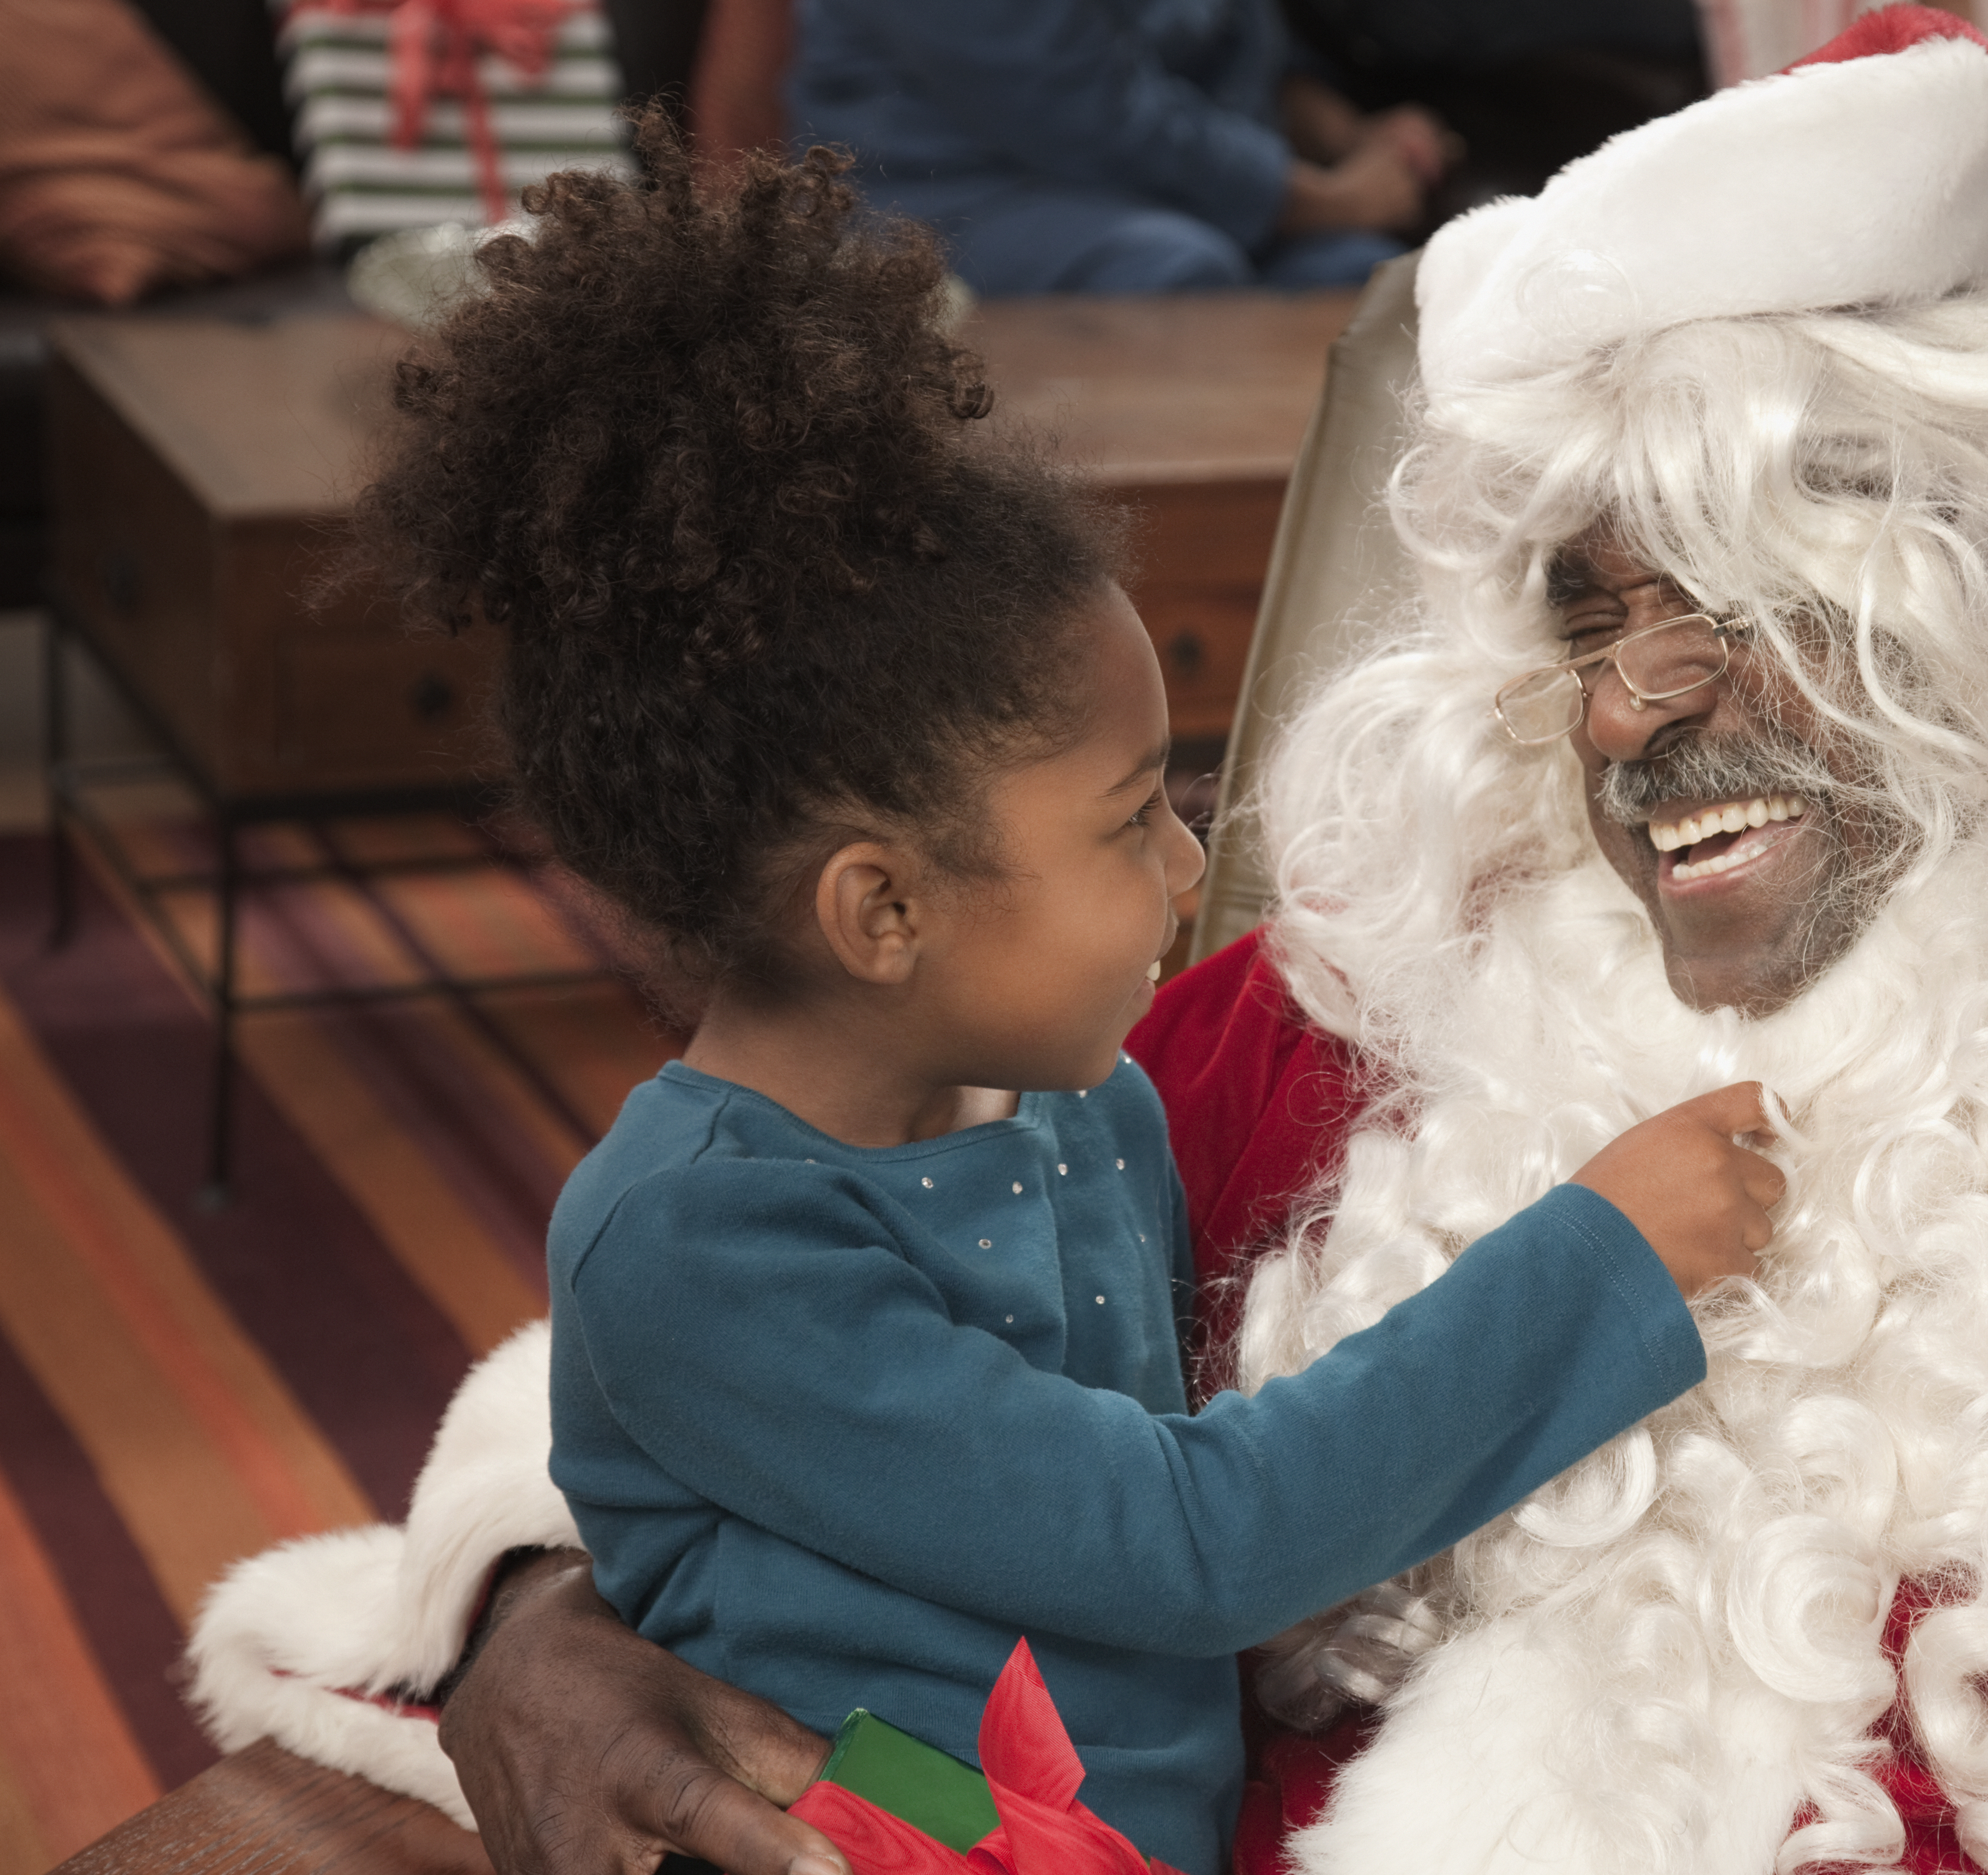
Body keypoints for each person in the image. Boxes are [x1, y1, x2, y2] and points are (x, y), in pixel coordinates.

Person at [188, 15, 1988, 1875]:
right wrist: (533, 1605)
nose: (1643, 706)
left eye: (1760, 592)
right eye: (1589, 608)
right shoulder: (1331, 1039)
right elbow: (758, 1316)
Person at [216, 117, 1790, 1875]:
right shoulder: (693, 1244)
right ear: (882, 909)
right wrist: (1602, 1259)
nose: (1191, 871)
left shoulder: (1085, 1103)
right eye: (1131, 823)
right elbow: (1186, 1542)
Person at [792, 0, 1452, 294]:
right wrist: (1326, 200)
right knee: (1177, 271)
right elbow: (1080, 110)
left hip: (1156, 184)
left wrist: (1345, 133)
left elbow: (1222, 40)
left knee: (1365, 282)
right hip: (948, 187)